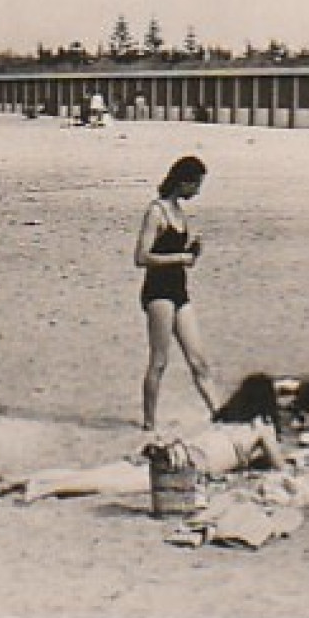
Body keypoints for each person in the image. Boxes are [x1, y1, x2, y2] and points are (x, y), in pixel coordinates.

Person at [0, 415, 287, 504]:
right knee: (108, 485)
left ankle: (22, 478)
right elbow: (282, 467)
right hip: (180, 465)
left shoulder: (222, 425)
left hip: (173, 450)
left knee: (98, 472)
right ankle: (41, 489)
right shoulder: (260, 430)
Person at [136, 155, 219, 431]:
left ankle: (219, 415)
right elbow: (141, 257)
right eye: (196, 185)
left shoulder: (180, 214)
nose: (197, 191)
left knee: (199, 360)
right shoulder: (156, 212)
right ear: (183, 182)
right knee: (159, 361)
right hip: (158, 290)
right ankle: (149, 423)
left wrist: (192, 254)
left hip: (179, 289)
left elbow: (183, 259)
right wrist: (179, 258)